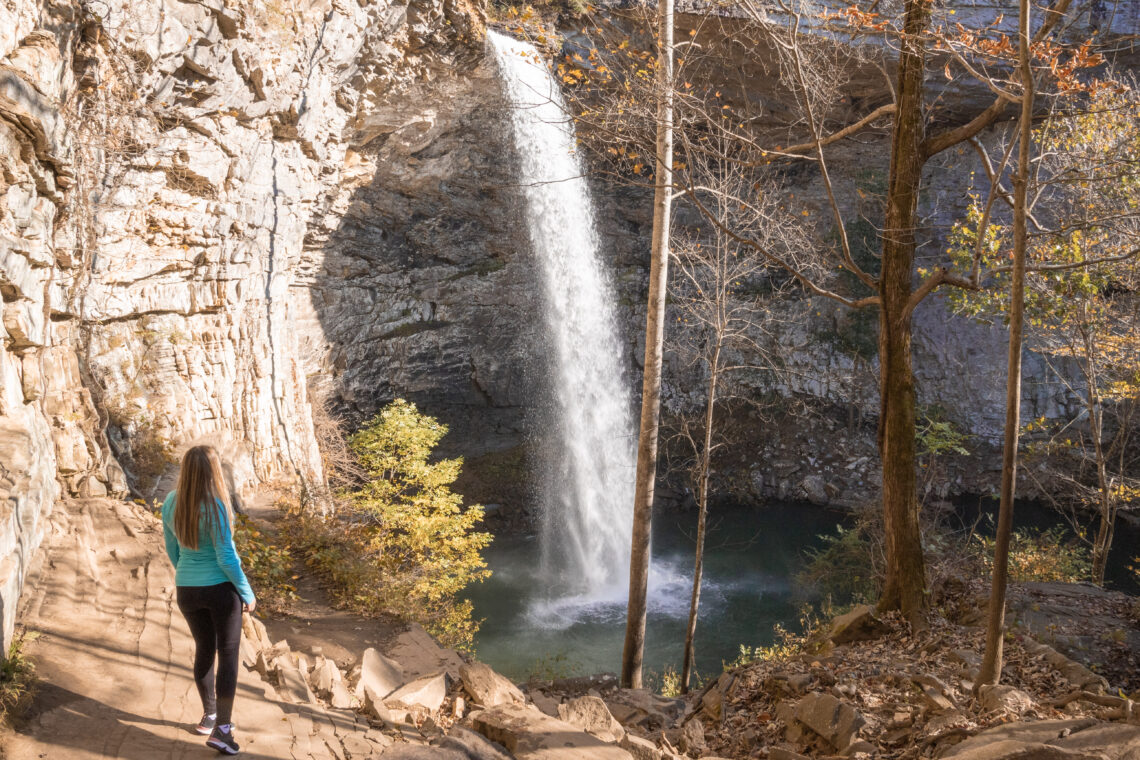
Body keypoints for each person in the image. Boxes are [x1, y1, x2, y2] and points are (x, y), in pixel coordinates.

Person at [161, 445, 256, 755]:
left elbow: (172, 549)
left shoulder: (171, 501)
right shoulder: (214, 504)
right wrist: (246, 591)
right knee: (228, 655)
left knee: (204, 648)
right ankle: (223, 731)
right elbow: (226, 557)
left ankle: (209, 716)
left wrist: (188, 577)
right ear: (213, 471)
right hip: (219, 590)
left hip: (186, 588)